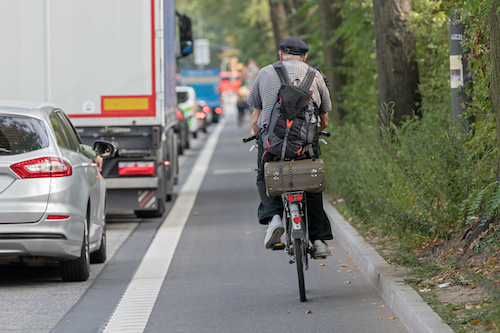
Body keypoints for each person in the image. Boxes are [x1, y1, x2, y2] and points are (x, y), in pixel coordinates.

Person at [247, 36, 333, 257]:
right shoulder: (316, 76)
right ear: (305, 57)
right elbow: (324, 121)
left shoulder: (265, 74)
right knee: (312, 184)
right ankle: (319, 239)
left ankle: (274, 218)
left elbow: (256, 119)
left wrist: (256, 134)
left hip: (272, 146)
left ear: (280, 55)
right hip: (305, 147)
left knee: (263, 174)